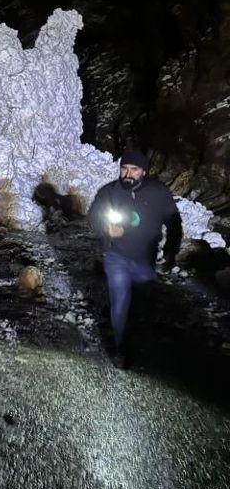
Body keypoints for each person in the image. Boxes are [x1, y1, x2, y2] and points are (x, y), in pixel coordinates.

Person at [87, 149, 183, 368]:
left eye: (134, 169)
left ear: (144, 172)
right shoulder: (109, 192)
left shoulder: (158, 192)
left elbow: (174, 222)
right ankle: (121, 349)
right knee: (120, 302)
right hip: (116, 256)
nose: (128, 173)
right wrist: (106, 229)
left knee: (139, 305)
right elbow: (93, 217)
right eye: (124, 168)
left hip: (144, 259)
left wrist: (171, 250)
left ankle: (137, 339)